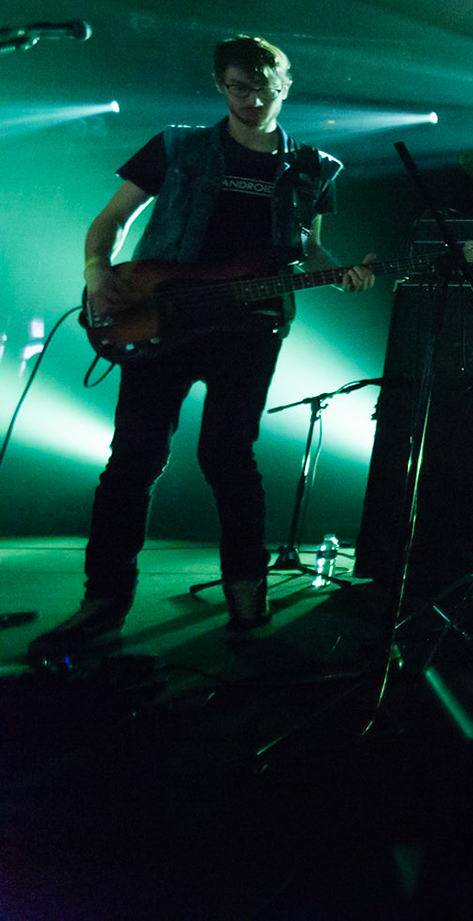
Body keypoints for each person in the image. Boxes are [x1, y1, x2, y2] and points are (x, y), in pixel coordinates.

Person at [30, 36, 375, 658]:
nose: (252, 99)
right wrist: (96, 273)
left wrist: (342, 271)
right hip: (161, 313)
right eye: (239, 86)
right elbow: (111, 220)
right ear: (221, 85)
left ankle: (247, 592)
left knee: (228, 456)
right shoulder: (177, 145)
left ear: (285, 87)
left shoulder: (313, 168)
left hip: (250, 327)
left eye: (264, 87)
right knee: (133, 459)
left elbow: (307, 248)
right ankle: (103, 599)